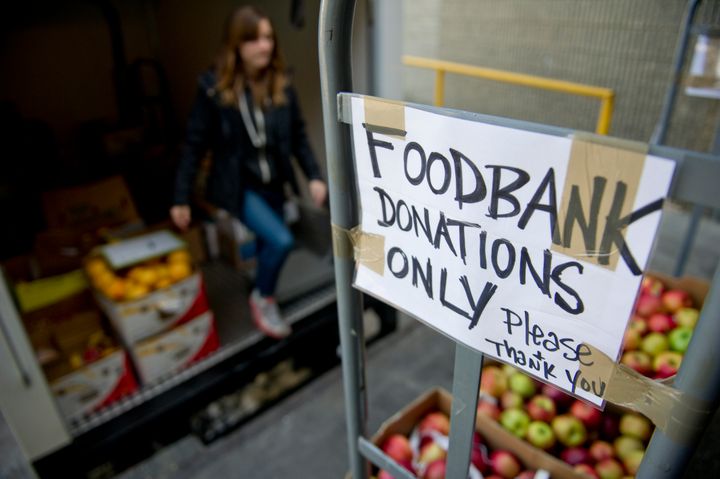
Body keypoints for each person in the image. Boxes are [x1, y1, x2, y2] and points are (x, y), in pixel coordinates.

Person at [171, 5, 327, 339]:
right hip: (240, 187)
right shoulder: (214, 89)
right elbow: (194, 145)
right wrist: (181, 198)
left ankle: (258, 282)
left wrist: (313, 175)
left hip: (275, 184)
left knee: (266, 242)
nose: (265, 46)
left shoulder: (281, 85)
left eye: (269, 38)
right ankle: (263, 297)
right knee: (282, 241)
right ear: (237, 45)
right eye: (254, 39)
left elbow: (298, 135)